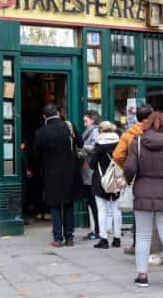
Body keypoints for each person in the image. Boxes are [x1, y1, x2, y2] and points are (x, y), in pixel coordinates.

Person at [122, 111, 163, 290]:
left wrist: (127, 180)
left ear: (147, 125)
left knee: (143, 236)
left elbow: (129, 168)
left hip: (143, 192)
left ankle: (142, 276)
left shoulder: (137, 143)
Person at [32, 103, 80, 247]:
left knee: (55, 206)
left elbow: (36, 155)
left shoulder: (41, 132)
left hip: (51, 174)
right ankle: (70, 237)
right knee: (69, 205)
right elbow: (81, 144)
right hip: (70, 173)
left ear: (44, 116)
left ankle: (58, 238)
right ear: (58, 113)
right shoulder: (69, 127)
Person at [113, 104, 155, 256]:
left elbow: (117, 155)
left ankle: (137, 243)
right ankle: (156, 244)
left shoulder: (129, 135)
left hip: (138, 176)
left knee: (139, 209)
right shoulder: (158, 132)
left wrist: (128, 167)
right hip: (157, 175)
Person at [88, 121, 122, 249]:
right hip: (116, 179)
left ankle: (104, 239)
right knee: (116, 209)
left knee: (102, 209)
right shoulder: (119, 143)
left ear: (101, 131)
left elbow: (92, 165)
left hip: (101, 180)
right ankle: (117, 238)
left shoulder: (98, 145)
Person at [81, 110, 102, 241]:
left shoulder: (94, 131)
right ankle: (96, 229)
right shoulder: (89, 132)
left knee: (94, 202)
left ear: (92, 120)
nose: (84, 124)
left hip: (91, 171)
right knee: (91, 202)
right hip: (87, 170)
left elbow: (95, 147)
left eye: (86, 121)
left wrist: (82, 146)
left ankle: (98, 230)